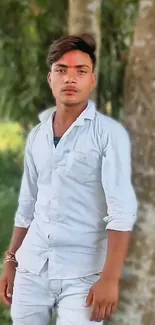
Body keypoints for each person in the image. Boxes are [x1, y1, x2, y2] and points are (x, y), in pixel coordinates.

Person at [0, 34, 137, 325]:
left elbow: (121, 212)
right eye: (62, 70)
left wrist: (110, 279)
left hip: (83, 274)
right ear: (50, 78)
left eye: (80, 71)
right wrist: (11, 261)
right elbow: (27, 204)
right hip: (32, 267)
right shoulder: (38, 135)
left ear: (93, 80)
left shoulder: (109, 135)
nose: (70, 78)